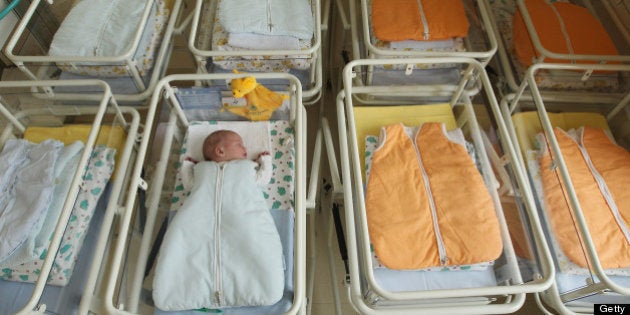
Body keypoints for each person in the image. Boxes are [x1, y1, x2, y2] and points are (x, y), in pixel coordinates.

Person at [152, 129, 284, 310]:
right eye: (239, 144)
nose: (245, 148)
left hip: (242, 218)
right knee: (185, 244)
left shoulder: (247, 168)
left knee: (251, 242)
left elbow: (263, 178)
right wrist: (187, 167)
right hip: (198, 217)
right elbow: (189, 184)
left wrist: (265, 161)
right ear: (220, 151)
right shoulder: (201, 170)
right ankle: (189, 290)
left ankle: (243, 287)